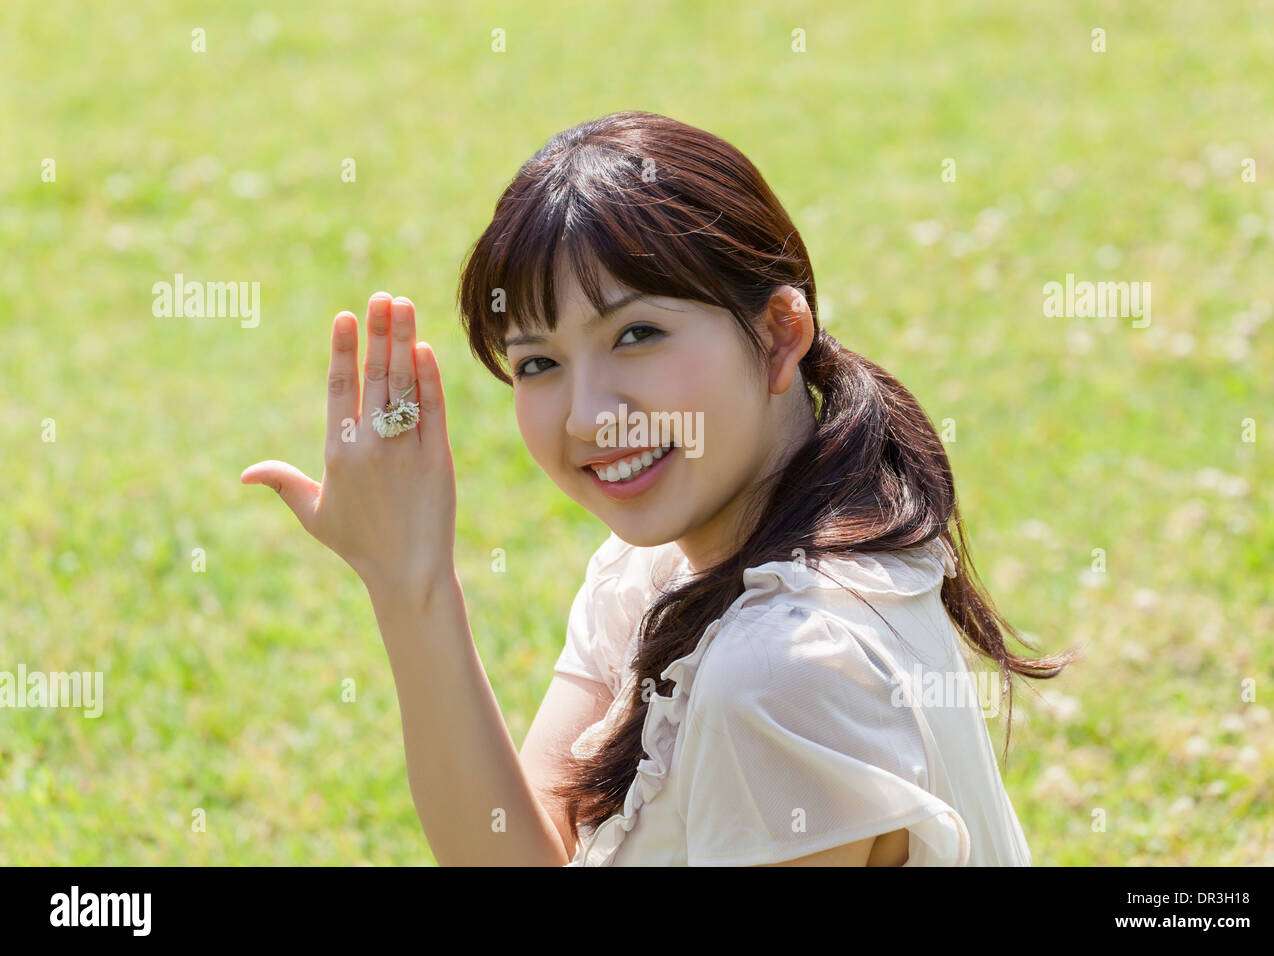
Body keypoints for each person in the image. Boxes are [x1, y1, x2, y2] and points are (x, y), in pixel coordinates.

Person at [241, 110, 1078, 866]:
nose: (589, 414)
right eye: (539, 362)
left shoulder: (782, 674)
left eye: (638, 333)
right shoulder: (667, 570)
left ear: (780, 335)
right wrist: (408, 580)